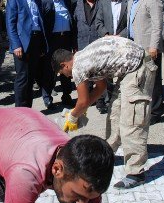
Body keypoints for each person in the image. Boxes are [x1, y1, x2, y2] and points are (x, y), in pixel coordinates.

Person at [53, 36, 158, 189]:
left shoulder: (78, 66)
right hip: (126, 71)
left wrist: (72, 117)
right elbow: (100, 88)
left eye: (63, 73)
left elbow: (82, 101)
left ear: (64, 65)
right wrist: (82, 110)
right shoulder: (83, 58)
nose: (66, 77)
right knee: (114, 115)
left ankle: (136, 173)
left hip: (138, 67)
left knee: (131, 121)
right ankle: (107, 155)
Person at [5, 0, 49, 108]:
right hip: (22, 44)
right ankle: (19, 111)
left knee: (31, 78)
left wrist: (42, 45)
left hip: (36, 42)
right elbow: (10, 24)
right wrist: (16, 45)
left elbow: (40, 23)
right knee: (22, 78)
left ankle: (28, 109)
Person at [125, 0, 164, 123]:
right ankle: (144, 110)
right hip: (135, 48)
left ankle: (155, 113)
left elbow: (157, 25)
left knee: (153, 82)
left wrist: (154, 46)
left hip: (149, 48)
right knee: (140, 81)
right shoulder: (131, 1)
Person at [72, 0, 106, 112]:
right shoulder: (76, 5)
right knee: (86, 72)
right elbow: (73, 26)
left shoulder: (103, 3)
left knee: (101, 72)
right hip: (83, 43)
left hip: (98, 43)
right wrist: (74, 45)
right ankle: (88, 99)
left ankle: (101, 100)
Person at [42, 0, 75, 108]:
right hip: (52, 40)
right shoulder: (45, 2)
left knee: (67, 69)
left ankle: (66, 96)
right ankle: (47, 97)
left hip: (65, 39)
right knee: (50, 70)